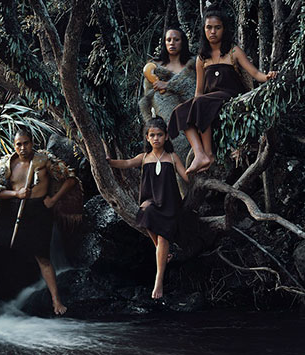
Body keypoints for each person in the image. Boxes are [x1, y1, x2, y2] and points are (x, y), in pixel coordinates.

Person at [0, 129, 79, 315]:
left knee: (43, 258)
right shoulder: (7, 164)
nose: (22, 148)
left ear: (32, 143)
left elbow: (70, 179)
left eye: (26, 143)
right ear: (14, 145)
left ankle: (56, 301)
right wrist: (16, 193)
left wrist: (53, 201)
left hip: (38, 212)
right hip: (12, 212)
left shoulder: (44, 160)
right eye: (18, 144)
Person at [168, 9, 278, 174]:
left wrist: (267, 77)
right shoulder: (201, 58)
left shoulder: (233, 51)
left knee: (200, 103)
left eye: (217, 27)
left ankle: (209, 154)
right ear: (204, 29)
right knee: (180, 111)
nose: (212, 32)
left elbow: (255, 73)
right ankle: (200, 153)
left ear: (224, 29)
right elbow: (199, 91)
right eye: (209, 27)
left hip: (230, 96)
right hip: (208, 100)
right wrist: (194, 110)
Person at [108, 119, 189, 300]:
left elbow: (186, 176)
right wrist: (109, 162)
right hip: (151, 203)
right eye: (152, 135)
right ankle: (164, 253)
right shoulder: (144, 157)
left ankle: (158, 282)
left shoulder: (172, 157)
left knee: (162, 236)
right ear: (147, 137)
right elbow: (127, 163)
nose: (156, 138)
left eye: (159, 135)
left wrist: (198, 170)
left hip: (170, 205)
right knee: (145, 213)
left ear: (166, 136)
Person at [139, 26, 196, 121]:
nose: (172, 43)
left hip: (190, 116)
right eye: (168, 40)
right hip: (163, 119)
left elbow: (195, 90)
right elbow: (147, 98)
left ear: (183, 42)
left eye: (176, 40)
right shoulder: (153, 68)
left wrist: (168, 85)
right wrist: (150, 123)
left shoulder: (193, 65)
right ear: (164, 43)